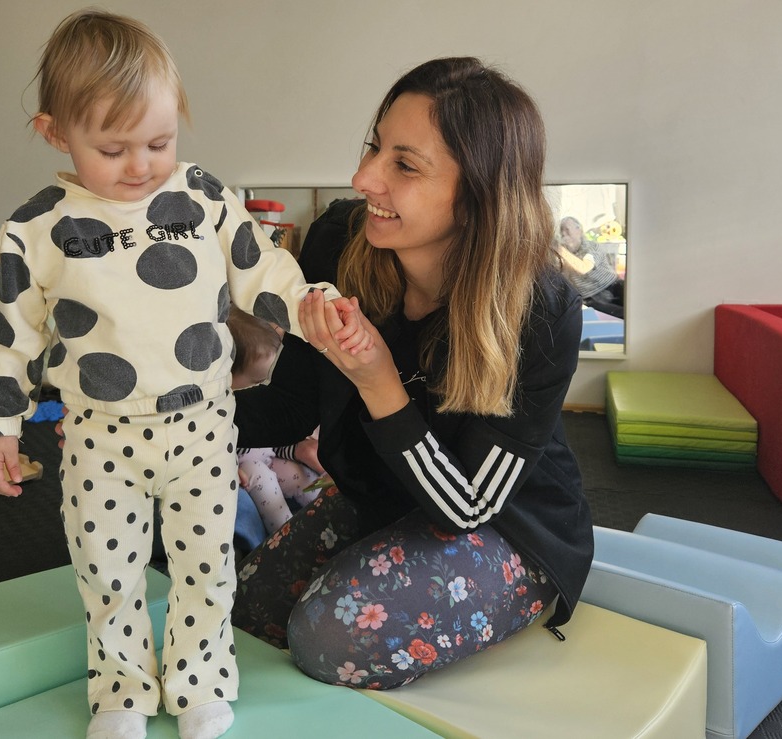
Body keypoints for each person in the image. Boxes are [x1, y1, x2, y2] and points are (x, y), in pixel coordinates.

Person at [0, 10, 366, 739]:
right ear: (54, 133)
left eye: (159, 141)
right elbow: (8, 334)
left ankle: (199, 682)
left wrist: (313, 304)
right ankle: (121, 689)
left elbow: (261, 267)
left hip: (201, 424)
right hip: (99, 435)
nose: (140, 165)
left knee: (206, 566)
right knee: (108, 572)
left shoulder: (202, 196)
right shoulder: (36, 229)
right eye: (112, 149)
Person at [230, 56, 594, 689]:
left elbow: (467, 508)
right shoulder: (339, 243)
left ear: (478, 194)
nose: (362, 177)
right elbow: (293, 402)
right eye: (375, 148)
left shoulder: (539, 309)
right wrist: (161, 415)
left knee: (327, 636)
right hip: (383, 498)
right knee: (245, 609)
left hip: (508, 529)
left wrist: (379, 382)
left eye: (405, 165)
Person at [227, 307, 324, 534]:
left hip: (271, 453)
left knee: (304, 481)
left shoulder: (257, 405)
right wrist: (228, 466)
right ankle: (289, 539)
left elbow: (272, 438)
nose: (262, 385)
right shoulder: (217, 408)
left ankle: (328, 524)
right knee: (267, 489)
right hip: (245, 465)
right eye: (256, 380)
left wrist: (296, 451)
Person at [553, 215, 625, 318]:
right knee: (624, 315)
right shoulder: (561, 255)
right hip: (590, 297)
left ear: (579, 230)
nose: (563, 234)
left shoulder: (591, 246)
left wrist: (559, 249)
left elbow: (584, 268)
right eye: (561, 230)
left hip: (613, 285)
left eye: (567, 230)